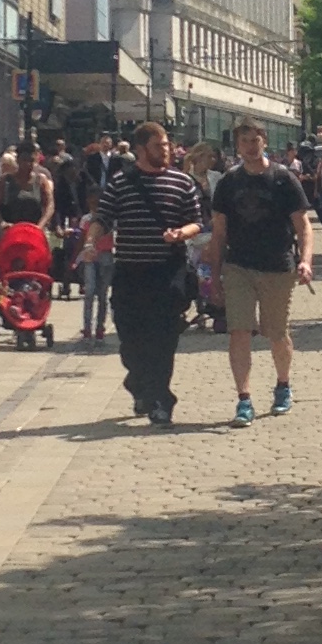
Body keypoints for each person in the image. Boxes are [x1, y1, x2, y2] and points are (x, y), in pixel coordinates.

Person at [210, 118, 314, 426]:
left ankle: (283, 385)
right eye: (244, 143)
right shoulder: (229, 183)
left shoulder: (283, 179)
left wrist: (305, 260)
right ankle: (244, 399)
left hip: (277, 267)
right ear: (237, 146)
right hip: (239, 265)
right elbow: (218, 233)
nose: (250, 148)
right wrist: (214, 277)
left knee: (276, 333)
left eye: (255, 141)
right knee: (239, 331)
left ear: (264, 141)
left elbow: (303, 225)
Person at [99, 120, 203, 427]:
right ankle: (138, 382)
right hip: (130, 273)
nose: (167, 150)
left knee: (163, 338)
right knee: (130, 339)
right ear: (142, 149)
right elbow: (104, 217)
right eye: (160, 146)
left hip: (167, 273)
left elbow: (197, 221)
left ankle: (161, 400)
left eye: (168, 145)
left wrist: (180, 234)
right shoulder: (121, 182)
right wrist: (92, 241)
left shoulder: (182, 182)